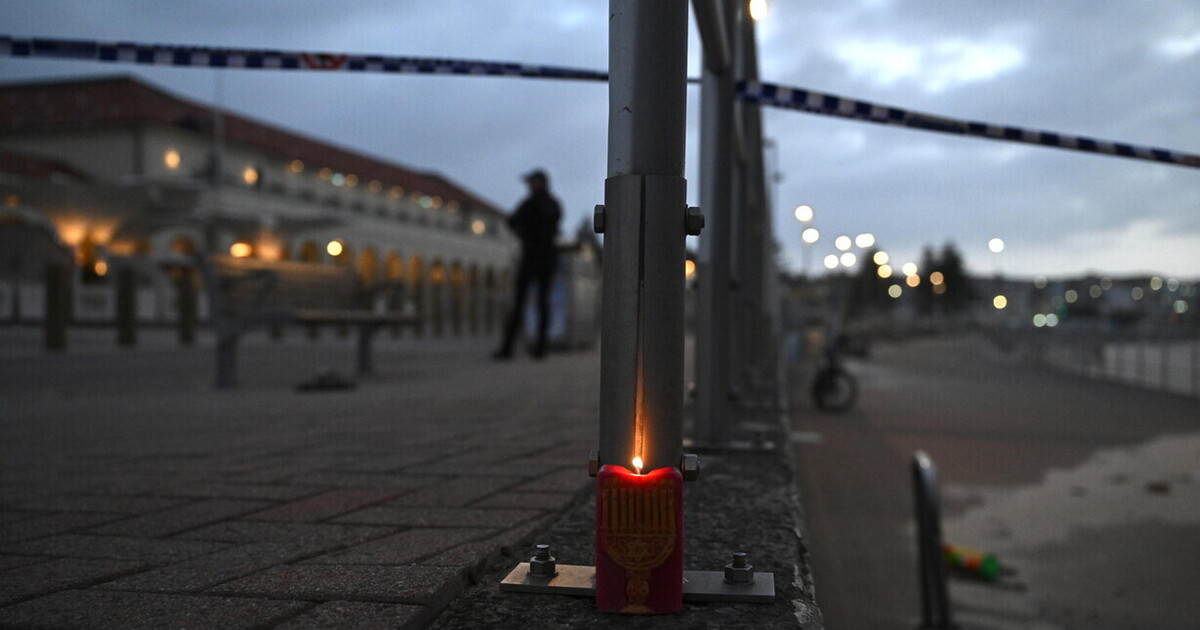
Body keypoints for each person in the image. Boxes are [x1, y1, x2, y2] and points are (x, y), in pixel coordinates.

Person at [493, 169, 562, 360]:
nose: (528, 186)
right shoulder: (553, 204)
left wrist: (524, 233)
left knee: (520, 303)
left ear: (538, 183)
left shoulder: (531, 203)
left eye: (531, 182)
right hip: (547, 258)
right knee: (542, 304)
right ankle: (540, 349)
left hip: (531, 258)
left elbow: (512, 221)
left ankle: (508, 348)